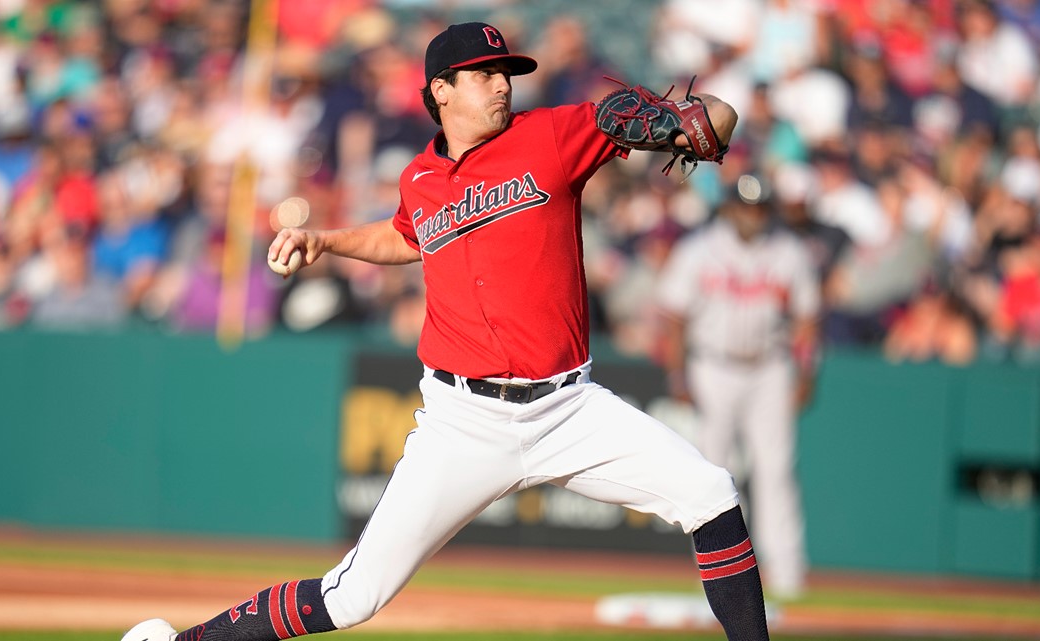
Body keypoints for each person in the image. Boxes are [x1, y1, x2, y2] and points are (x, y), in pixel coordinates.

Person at [123, 21, 772, 641]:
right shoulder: (420, 179)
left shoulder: (554, 134)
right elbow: (405, 235)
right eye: (483, 73)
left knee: (710, 491)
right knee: (352, 596)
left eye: (506, 71)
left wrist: (688, 119)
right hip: (462, 421)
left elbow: (718, 118)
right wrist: (325, 238)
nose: (501, 84)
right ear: (440, 90)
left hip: (568, 407)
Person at [657, 174, 821, 599]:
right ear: (729, 208)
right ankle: (722, 572)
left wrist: (806, 373)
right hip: (714, 364)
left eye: (759, 207)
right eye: (745, 207)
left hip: (770, 366)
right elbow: (675, 317)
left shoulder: (788, 251)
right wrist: (677, 373)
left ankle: (786, 575)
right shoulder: (700, 249)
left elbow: (806, 320)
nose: (753, 215)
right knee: (715, 471)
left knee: (776, 468)